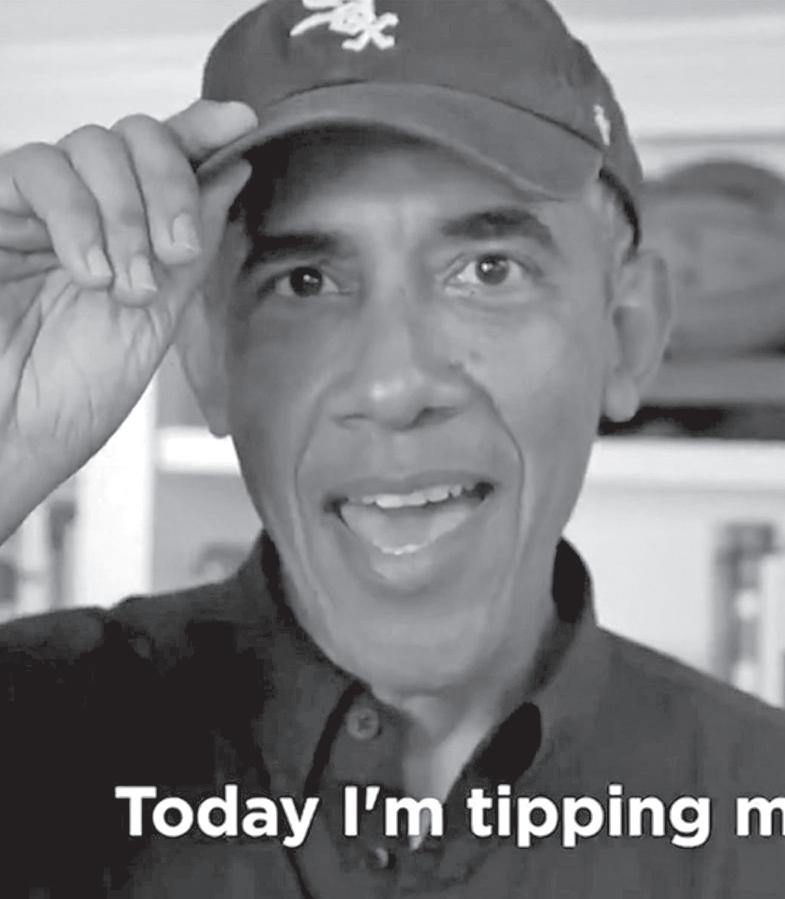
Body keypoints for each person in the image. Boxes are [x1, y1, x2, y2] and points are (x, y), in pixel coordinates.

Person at [0, 0, 783, 896]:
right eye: (304, 280)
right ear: (208, 358)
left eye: (488, 270)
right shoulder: (27, 728)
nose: (394, 385)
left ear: (628, 332)